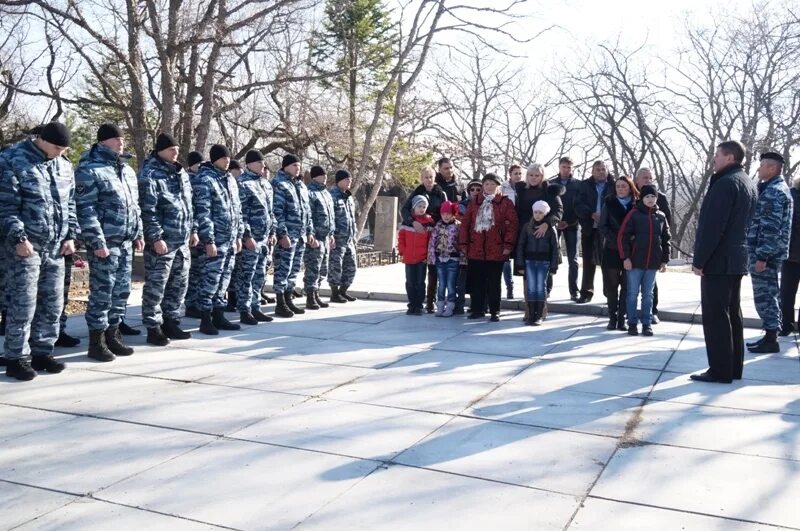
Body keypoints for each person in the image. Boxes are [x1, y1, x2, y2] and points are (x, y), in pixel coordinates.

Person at [0, 122, 78, 381]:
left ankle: (42, 351)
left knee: (52, 304)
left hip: (56, 247)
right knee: (23, 305)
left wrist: (70, 235)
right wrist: (19, 238)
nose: (59, 152)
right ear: (41, 140)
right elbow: (6, 206)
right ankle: (16, 357)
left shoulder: (64, 165)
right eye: (56, 147)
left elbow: (71, 204)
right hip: (26, 247)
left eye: (63, 149)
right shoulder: (12, 159)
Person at [74, 123, 144, 361]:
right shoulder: (90, 169)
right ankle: (96, 341)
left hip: (125, 242)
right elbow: (86, 209)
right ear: (103, 141)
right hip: (105, 244)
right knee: (102, 294)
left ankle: (113, 335)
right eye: (115, 138)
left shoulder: (127, 170)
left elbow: (135, 207)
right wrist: (96, 241)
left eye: (122, 138)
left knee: (121, 292)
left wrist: (138, 234)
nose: (121, 142)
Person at [691, 140, 757, 384]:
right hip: (736, 259)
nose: (714, 159)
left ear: (730, 157)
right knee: (732, 314)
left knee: (716, 316)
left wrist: (700, 260)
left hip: (719, 260)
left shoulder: (725, 184)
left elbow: (712, 227)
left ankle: (720, 370)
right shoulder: (747, 182)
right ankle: (732, 367)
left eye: (717, 155)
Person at [138, 133, 197, 345]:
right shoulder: (150, 174)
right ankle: (153, 327)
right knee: (157, 285)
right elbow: (148, 209)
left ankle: (171, 320)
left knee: (179, 284)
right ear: (161, 150)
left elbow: (190, 205)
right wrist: (155, 237)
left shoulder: (180, 173)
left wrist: (193, 230)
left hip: (181, 240)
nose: (176, 152)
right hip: (163, 241)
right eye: (171, 149)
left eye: (177, 149)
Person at [193, 144, 243, 335]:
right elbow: (203, 213)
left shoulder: (229, 179)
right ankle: (205, 319)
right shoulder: (204, 179)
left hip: (230, 240)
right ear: (214, 159)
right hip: (215, 240)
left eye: (228, 158)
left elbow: (237, 210)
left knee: (224, 280)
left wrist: (238, 236)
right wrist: (209, 240)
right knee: (210, 280)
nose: (227, 161)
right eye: (223, 158)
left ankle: (219, 315)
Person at [745, 152, 792, 353]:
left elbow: (771, 228)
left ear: (772, 168)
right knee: (768, 295)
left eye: (763, 166)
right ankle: (769, 335)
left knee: (765, 297)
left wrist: (762, 256)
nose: (759, 169)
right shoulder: (773, 188)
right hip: (766, 252)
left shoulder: (775, 192)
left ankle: (772, 338)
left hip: (766, 254)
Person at [460, 173, 518, 322]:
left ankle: (494, 311)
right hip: (476, 248)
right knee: (477, 282)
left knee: (494, 282)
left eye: (493, 184)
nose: (489, 187)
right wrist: (464, 244)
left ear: (498, 186)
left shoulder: (505, 202)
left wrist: (508, 245)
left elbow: (512, 225)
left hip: (496, 249)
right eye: (486, 184)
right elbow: (466, 225)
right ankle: (477, 309)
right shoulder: (475, 202)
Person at [619, 184, 670, 336]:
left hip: (652, 263)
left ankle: (646, 323)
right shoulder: (634, 214)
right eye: (647, 196)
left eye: (653, 196)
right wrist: (626, 257)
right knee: (632, 293)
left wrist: (664, 260)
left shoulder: (660, 216)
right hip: (635, 262)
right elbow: (623, 236)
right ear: (642, 198)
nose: (650, 199)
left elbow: (666, 239)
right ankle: (632, 323)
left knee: (648, 295)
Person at [514, 163, 563, 319]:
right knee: (527, 276)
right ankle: (529, 309)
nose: (534, 178)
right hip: (525, 236)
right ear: (526, 176)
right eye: (531, 175)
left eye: (537, 175)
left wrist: (547, 224)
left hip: (544, 237)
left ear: (542, 176)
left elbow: (558, 211)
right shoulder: (521, 190)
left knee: (543, 277)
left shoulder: (550, 191)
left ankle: (541, 309)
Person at [234, 150, 276, 324]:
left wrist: (273, 231)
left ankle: (256, 307)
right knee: (247, 276)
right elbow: (241, 213)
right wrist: (247, 236)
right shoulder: (243, 183)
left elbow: (270, 211)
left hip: (265, 238)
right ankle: (244, 310)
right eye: (259, 162)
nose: (262, 165)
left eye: (263, 163)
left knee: (260, 275)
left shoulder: (265, 184)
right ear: (249, 164)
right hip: (251, 240)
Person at [272, 154, 315, 317]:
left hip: (301, 235)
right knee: (283, 268)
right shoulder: (279, 184)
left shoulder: (301, 186)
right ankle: (280, 302)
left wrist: (309, 231)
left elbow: (307, 212)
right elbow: (277, 212)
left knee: (294, 269)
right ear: (285, 166)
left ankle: (289, 299)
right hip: (288, 236)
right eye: (294, 165)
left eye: (299, 165)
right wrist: (282, 234)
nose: (298, 168)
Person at [402, 166, 447, 313]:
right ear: (421, 178)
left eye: (431, 177)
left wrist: (433, 225)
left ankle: (429, 301)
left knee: (433, 274)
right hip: (417, 231)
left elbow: (445, 211)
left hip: (434, 232)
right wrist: (412, 222)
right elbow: (405, 210)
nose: (429, 179)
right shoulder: (417, 192)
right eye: (426, 177)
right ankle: (414, 304)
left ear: (435, 178)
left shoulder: (441, 193)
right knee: (414, 278)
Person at [598, 176, 638, 331]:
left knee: (627, 287)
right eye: (618, 186)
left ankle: (622, 318)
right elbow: (603, 226)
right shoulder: (609, 202)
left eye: (624, 186)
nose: (621, 189)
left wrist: (628, 242)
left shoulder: (636, 204)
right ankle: (612, 317)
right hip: (612, 249)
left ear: (630, 188)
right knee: (611, 286)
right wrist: (617, 240)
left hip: (630, 251)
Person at [634, 167, 672, 323]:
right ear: (637, 180)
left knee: (651, 283)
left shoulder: (660, 197)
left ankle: (651, 311)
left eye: (650, 177)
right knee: (631, 283)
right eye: (644, 177)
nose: (648, 180)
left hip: (653, 247)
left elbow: (667, 222)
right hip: (635, 247)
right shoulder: (632, 195)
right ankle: (627, 311)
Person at [574, 161, 613, 303]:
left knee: (607, 262)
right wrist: (590, 214)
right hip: (589, 227)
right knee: (588, 261)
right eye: (598, 170)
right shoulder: (584, 185)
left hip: (607, 229)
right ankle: (586, 293)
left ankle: (610, 293)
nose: (601, 172)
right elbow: (577, 204)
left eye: (603, 169)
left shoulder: (614, 185)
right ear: (592, 171)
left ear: (607, 171)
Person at [515, 200, 559, 326]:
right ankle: (531, 314)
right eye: (535, 212)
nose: (538, 215)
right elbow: (521, 245)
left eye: (540, 212)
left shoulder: (550, 229)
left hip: (543, 261)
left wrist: (554, 265)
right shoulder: (527, 226)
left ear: (545, 214)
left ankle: (539, 315)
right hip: (529, 261)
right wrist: (520, 264)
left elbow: (555, 248)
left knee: (540, 287)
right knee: (531, 288)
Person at [303, 165, 335, 310]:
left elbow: (331, 216)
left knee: (323, 269)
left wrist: (332, 234)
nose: (325, 177)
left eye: (326, 175)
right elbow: (308, 215)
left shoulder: (326, 193)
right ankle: (310, 297)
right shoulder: (310, 192)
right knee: (313, 268)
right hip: (315, 238)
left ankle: (317, 294)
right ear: (315, 176)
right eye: (322, 175)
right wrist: (311, 234)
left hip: (326, 237)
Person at [550, 156, 580, 300]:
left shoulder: (578, 184)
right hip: (554, 223)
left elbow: (580, 206)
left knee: (573, 259)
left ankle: (574, 290)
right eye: (564, 167)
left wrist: (570, 222)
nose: (566, 170)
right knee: (551, 255)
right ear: (559, 167)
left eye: (569, 167)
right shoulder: (551, 184)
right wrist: (555, 222)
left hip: (572, 224)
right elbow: (549, 205)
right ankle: (547, 288)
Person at [398, 195, 433, 315]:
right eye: (419, 206)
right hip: (409, 257)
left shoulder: (428, 223)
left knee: (420, 282)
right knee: (410, 282)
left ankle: (419, 305)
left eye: (424, 207)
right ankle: (411, 304)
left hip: (421, 258)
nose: (422, 209)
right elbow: (401, 237)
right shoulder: (407, 222)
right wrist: (402, 250)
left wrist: (428, 255)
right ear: (414, 207)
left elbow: (430, 241)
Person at [427, 200, 462, 317]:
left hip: (453, 259)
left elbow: (462, 243)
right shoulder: (438, 225)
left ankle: (451, 305)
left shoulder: (458, 226)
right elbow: (432, 241)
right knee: (441, 283)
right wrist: (432, 257)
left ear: (453, 213)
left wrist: (462, 258)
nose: (446, 216)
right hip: (440, 259)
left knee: (451, 284)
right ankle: (440, 305)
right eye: (443, 213)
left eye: (448, 213)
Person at [328, 169, 359, 304]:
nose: (349, 182)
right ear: (339, 181)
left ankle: (343, 291)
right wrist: (331, 235)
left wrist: (354, 234)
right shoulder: (332, 196)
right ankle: (334, 293)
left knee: (351, 266)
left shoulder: (349, 197)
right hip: (337, 238)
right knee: (336, 267)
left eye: (350, 180)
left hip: (348, 238)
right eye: (347, 179)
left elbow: (352, 217)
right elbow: (329, 218)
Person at [456, 179, 483, 314]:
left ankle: (479, 304)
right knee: (463, 278)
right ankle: (459, 305)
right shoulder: (462, 206)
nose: (475, 192)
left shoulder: (486, 204)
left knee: (479, 277)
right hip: (465, 245)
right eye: (472, 189)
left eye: (478, 189)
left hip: (480, 245)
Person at [780, 172, 800, 336]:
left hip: (791, 252)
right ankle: (786, 324)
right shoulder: (791, 194)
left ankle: (787, 324)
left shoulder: (792, 194)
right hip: (791, 253)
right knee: (786, 292)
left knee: (787, 291)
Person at [501, 164, 522, 299]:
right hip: (507, 226)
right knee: (506, 259)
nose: (518, 176)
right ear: (510, 174)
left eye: (520, 173)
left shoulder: (525, 187)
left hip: (521, 226)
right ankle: (510, 286)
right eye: (516, 173)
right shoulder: (503, 188)